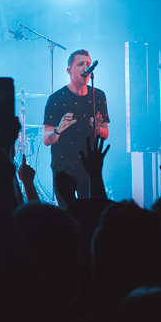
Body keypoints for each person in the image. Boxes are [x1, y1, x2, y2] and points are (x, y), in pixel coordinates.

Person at [42, 48, 109, 205]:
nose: (86, 67)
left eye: (88, 64)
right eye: (80, 64)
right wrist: (59, 129)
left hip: (89, 167)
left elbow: (105, 133)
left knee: (91, 212)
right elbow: (46, 139)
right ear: (69, 70)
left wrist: (97, 128)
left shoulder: (98, 96)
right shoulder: (56, 99)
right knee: (68, 213)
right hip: (63, 167)